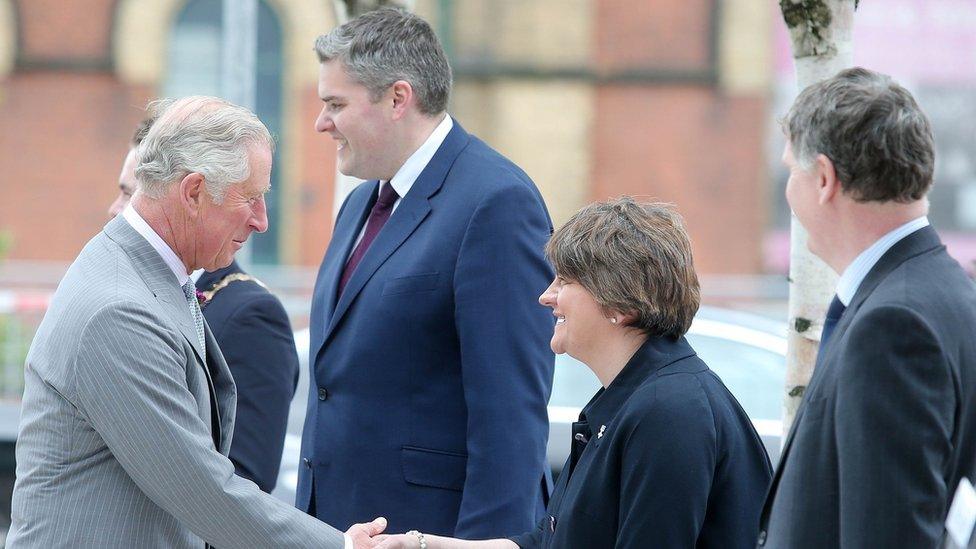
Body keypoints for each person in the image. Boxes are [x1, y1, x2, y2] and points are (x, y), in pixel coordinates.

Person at [8, 95, 384, 548]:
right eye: (251, 197)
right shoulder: (118, 312)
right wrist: (341, 546)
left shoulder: (139, 274)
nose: (262, 220)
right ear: (192, 192)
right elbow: (201, 490)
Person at [371, 197, 773, 549]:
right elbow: (553, 540)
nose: (546, 296)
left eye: (565, 280)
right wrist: (424, 545)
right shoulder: (635, 399)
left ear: (621, 302)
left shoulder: (670, 413)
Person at [301, 7, 555, 538]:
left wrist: (487, 546)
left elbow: (509, 414)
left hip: (430, 532)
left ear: (398, 98)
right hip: (338, 528)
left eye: (335, 104)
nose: (321, 123)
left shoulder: (496, 201)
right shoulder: (359, 206)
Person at [758, 67, 976, 547]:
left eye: (792, 168)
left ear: (824, 179)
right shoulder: (946, 296)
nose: (788, 189)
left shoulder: (892, 325)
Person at [108, 103, 300, 494]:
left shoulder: (250, 314)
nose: (117, 210)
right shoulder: (121, 293)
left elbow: (245, 479)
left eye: (131, 194)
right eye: (124, 193)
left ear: (186, 193)